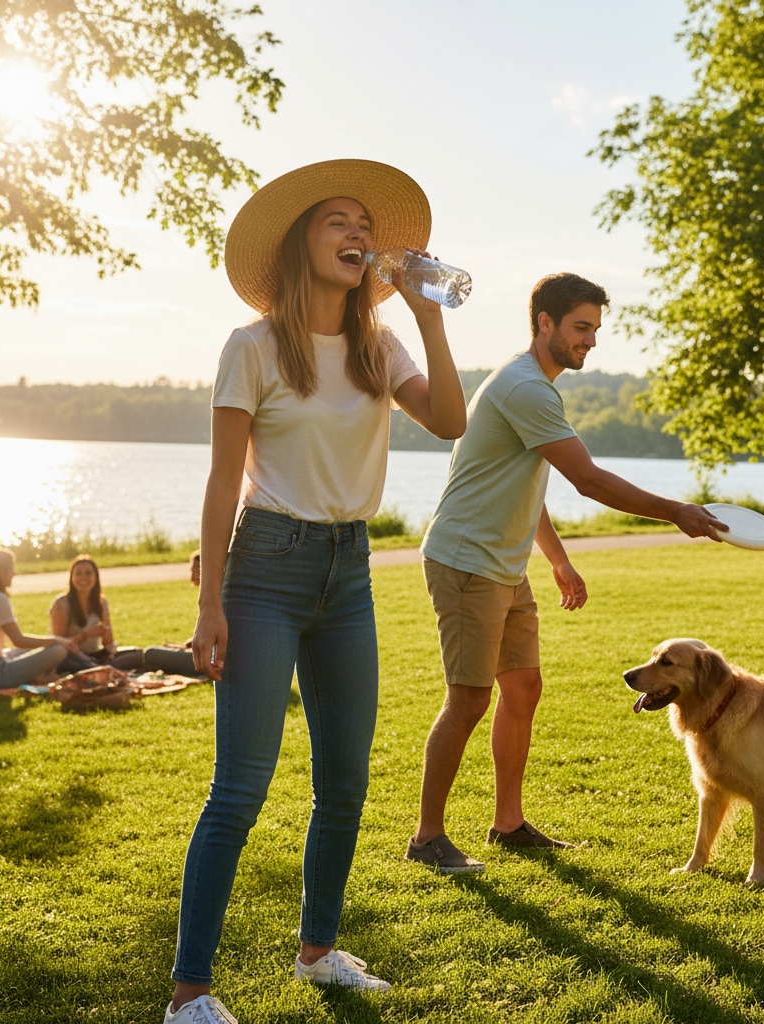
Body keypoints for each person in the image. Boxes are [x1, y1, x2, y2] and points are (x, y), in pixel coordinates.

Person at [166, 159, 466, 1024]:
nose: (358, 235)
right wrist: (210, 603)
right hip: (266, 564)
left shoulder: (381, 346)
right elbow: (222, 481)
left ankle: (318, 952)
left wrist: (428, 316)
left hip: (349, 569)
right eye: (340, 221)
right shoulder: (253, 346)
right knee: (240, 788)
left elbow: (449, 421)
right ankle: (189, 994)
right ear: (302, 242)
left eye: (365, 225)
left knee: (345, 783)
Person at [406, 272, 727, 875]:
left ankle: (508, 824)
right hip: (467, 562)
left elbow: (524, 484)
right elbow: (588, 479)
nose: (591, 341)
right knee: (469, 698)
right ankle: (427, 837)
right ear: (544, 323)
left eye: (595, 329)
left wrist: (556, 558)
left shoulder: (532, 385)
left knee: (523, 688)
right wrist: (676, 511)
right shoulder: (525, 387)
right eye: (581, 327)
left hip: (504, 565)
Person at [0, 548, 73, 690]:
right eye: (11, 569)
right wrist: (55, 640)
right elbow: (19, 640)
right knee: (58, 650)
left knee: (22, 651)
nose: (14, 573)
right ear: (1, 572)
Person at [49, 555, 142, 670]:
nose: (83, 578)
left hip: (95, 656)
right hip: (71, 659)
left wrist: (105, 634)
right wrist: (86, 635)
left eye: (88, 573)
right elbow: (59, 645)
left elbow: (108, 644)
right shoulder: (61, 604)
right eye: (78, 573)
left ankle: (102, 669)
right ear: (71, 577)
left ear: (96, 577)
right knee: (92, 666)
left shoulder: (101, 602)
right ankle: (100, 669)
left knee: (138, 653)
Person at [141, 550, 202, 677]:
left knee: (150, 653)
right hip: (203, 654)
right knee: (151, 652)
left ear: (201, 570)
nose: (191, 576)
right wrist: (185, 646)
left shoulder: (212, 600)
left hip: (206, 659)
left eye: (193, 570)